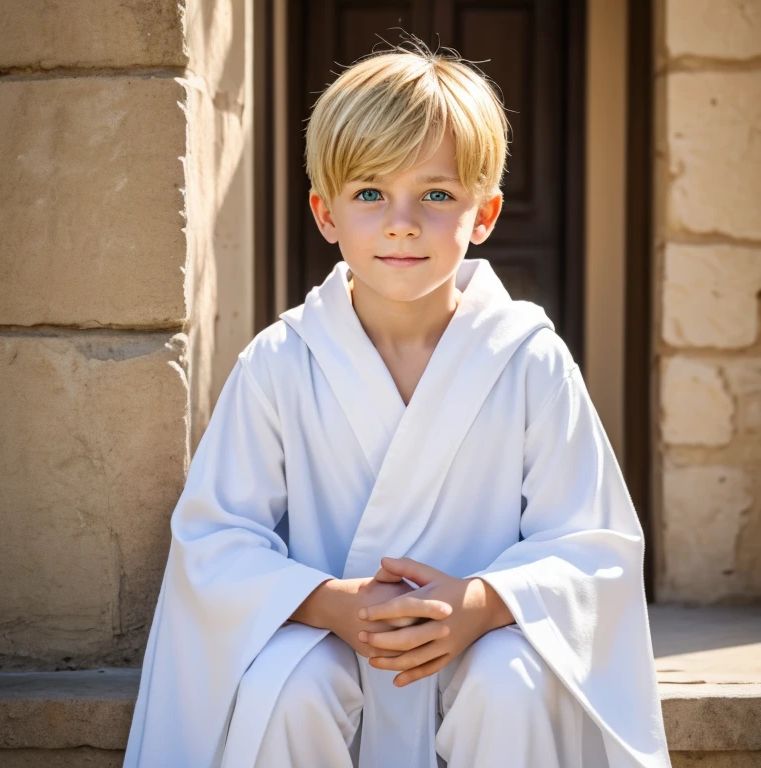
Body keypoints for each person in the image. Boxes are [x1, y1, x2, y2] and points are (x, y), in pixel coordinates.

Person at [123, 37, 671, 768]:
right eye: (370, 193)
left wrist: (480, 605)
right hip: (332, 644)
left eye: (438, 195)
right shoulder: (280, 365)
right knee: (293, 684)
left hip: (484, 647)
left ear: (485, 214)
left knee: (510, 681)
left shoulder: (530, 361)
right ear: (325, 213)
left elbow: (590, 544)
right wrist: (330, 605)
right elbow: (217, 540)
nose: (402, 221)